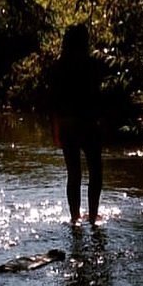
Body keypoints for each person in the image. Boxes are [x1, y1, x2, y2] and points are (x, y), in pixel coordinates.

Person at [48, 23, 107, 225]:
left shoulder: (58, 66)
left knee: (74, 174)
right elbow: (98, 96)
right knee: (96, 172)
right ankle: (92, 216)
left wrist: (55, 130)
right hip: (89, 123)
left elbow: (53, 102)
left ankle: (75, 217)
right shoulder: (92, 64)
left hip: (67, 125)